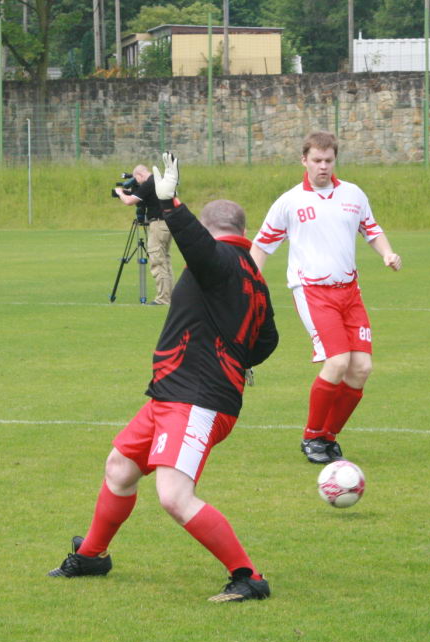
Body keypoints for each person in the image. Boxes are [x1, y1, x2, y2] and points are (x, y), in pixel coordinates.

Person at [48, 152, 279, 603]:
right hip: (173, 394)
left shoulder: (220, 259)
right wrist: (236, 357)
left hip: (196, 399)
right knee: (119, 468)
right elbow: (267, 340)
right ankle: (92, 555)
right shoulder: (252, 275)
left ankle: (248, 577)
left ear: (211, 230)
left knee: (174, 495)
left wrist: (172, 204)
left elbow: (197, 246)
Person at [250, 131, 401, 465]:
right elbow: (261, 246)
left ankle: (327, 437)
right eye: (316, 160)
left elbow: (371, 230)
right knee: (337, 362)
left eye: (328, 160)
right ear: (304, 160)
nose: (322, 166)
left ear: (335, 160)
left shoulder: (353, 194)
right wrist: (248, 285)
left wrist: (387, 253)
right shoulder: (289, 202)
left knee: (361, 368)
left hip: (350, 292)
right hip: (312, 291)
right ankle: (311, 436)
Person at [115, 164, 171, 305]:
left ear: (139, 175)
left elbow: (129, 201)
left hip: (158, 224)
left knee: (157, 261)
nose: (137, 183)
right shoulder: (159, 180)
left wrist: (120, 193)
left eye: (137, 179)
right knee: (165, 260)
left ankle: (163, 299)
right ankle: (170, 296)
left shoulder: (149, 183)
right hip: (167, 223)